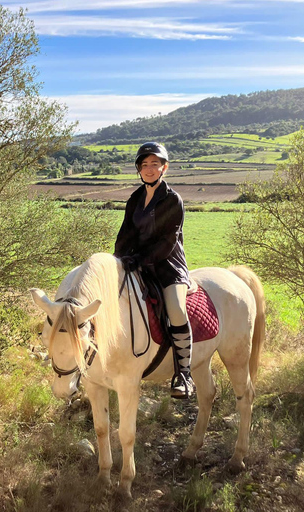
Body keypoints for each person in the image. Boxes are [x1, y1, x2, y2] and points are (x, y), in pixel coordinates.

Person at [114, 142, 194, 399]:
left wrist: (140, 259)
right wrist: (118, 260)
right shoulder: (135, 199)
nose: (149, 169)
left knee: (176, 309)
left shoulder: (173, 199)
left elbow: (168, 242)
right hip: (137, 261)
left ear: (164, 167)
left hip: (168, 265)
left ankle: (183, 373)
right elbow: (125, 234)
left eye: (154, 164)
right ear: (139, 169)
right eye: (144, 165)